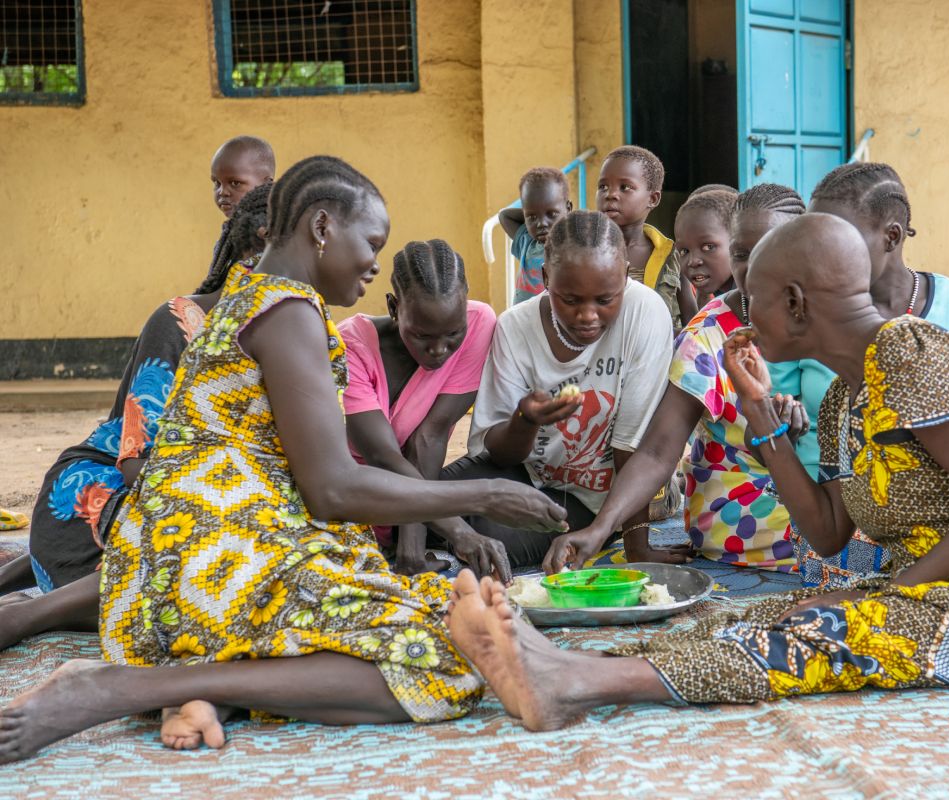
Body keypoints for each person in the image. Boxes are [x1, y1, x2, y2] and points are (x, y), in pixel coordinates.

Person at [444, 213, 949, 733]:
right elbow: (828, 535)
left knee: (840, 627)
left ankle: (571, 683)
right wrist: (762, 416)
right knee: (779, 609)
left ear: (798, 303)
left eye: (755, 302)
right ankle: (569, 656)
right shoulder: (843, 399)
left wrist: (895, 591)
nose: (742, 317)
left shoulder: (910, 350)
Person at [0, 156, 569, 764]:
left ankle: (204, 688)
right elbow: (333, 490)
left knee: (443, 608)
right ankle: (123, 688)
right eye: (371, 242)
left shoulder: (247, 295)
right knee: (450, 659)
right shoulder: (289, 313)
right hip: (207, 564)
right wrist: (484, 495)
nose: (376, 262)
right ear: (322, 228)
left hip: (161, 571)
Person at [0, 186, 272, 654]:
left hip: (191, 497)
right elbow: (136, 462)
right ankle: (25, 617)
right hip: (98, 501)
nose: (369, 266)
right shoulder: (181, 322)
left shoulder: (299, 331)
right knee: (209, 559)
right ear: (261, 248)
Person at [543, 184, 806, 573]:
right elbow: (656, 451)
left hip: (823, 497)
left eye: (771, 249)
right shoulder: (708, 337)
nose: (756, 267)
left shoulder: (831, 315)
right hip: (745, 513)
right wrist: (600, 530)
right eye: (741, 254)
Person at [780, 162, 949, 587]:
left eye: (836, 237)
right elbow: (827, 523)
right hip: (842, 511)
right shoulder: (813, 320)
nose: (818, 252)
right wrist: (775, 424)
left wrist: (892, 593)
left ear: (891, 236)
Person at [446, 209, 680, 568]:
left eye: (605, 300)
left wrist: (633, 546)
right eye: (570, 300)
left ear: (624, 279)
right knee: (426, 503)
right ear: (545, 278)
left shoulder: (645, 313)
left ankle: (602, 528)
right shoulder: (515, 327)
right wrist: (526, 420)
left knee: (491, 539)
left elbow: (633, 448)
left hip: (598, 498)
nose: (587, 316)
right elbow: (497, 454)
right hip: (526, 474)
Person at [341, 239, 504, 578]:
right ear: (393, 307)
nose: (440, 350)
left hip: (407, 497)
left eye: (452, 333)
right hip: (349, 500)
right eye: (422, 336)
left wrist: (412, 550)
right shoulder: (349, 348)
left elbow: (430, 436)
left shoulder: (478, 323)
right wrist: (460, 533)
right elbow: (383, 456)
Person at [597, 145, 696, 330]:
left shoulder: (671, 255)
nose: (610, 194)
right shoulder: (586, 251)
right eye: (603, 186)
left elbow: (691, 319)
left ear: (653, 199)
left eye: (625, 187)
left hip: (658, 354)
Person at [497, 167, 572, 305]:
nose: (541, 224)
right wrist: (532, 212)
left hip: (552, 323)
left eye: (551, 214)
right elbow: (504, 216)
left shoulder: (574, 247)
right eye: (532, 217)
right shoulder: (527, 242)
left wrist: (535, 213)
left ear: (568, 208)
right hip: (522, 322)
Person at [673, 188, 737, 309]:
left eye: (708, 247)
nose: (693, 261)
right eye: (684, 251)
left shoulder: (757, 299)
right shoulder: (723, 301)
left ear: (737, 240)